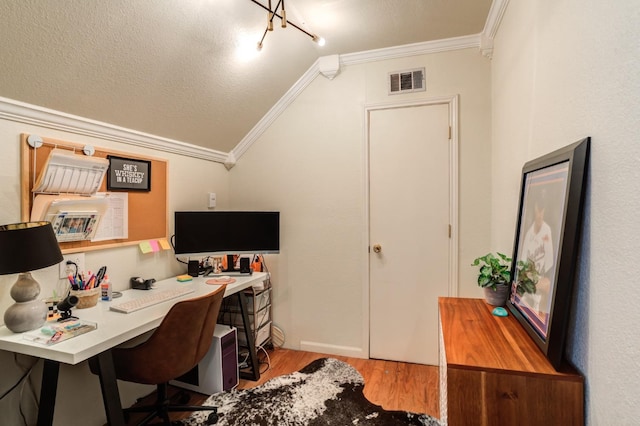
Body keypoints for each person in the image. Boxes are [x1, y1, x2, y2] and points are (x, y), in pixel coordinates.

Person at [520, 189, 554, 315]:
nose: (539, 215)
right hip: (528, 283)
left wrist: (544, 281)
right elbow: (522, 264)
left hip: (541, 281)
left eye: (542, 212)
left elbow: (550, 263)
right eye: (537, 212)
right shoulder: (529, 233)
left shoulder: (547, 230)